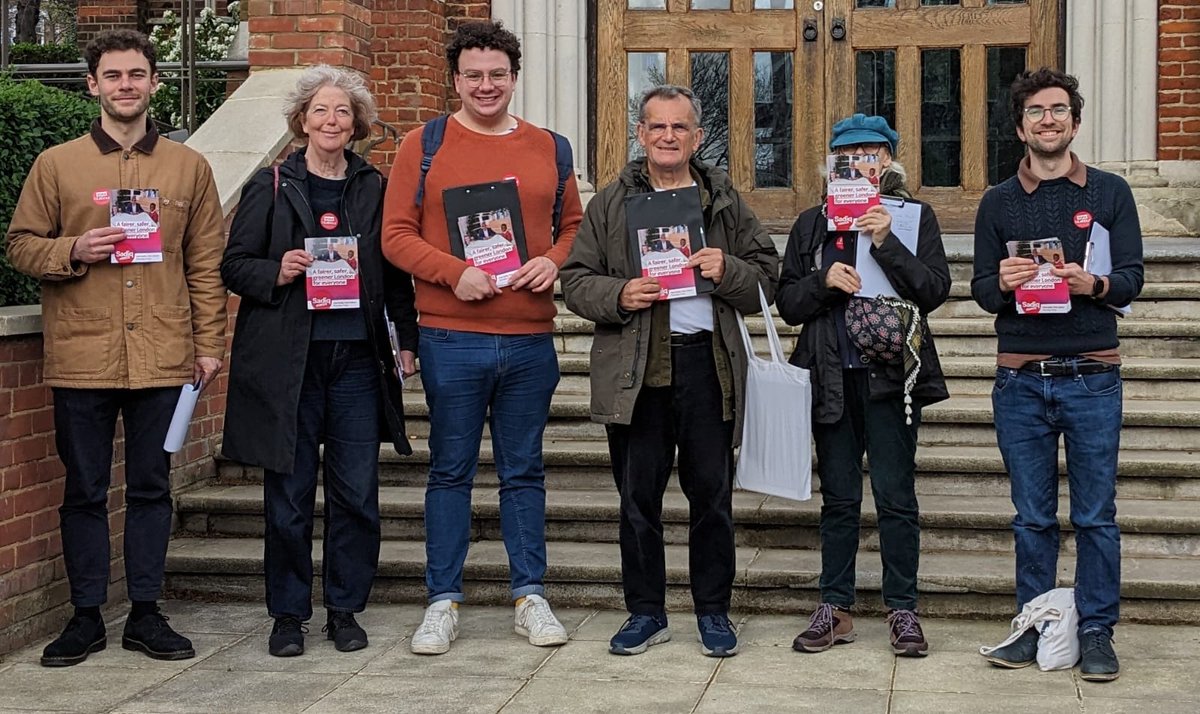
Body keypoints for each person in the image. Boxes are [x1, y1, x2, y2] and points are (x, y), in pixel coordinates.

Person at [5, 29, 226, 667]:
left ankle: (147, 614)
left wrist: (208, 344)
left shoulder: (190, 168)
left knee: (153, 486)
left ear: (155, 83)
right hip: (82, 354)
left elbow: (205, 264)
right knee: (84, 488)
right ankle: (84, 616)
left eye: (137, 74)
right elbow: (20, 244)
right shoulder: (57, 164)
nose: (126, 85)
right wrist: (71, 250)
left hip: (164, 354)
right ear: (93, 85)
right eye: (113, 75)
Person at [381, 20, 583, 656]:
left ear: (514, 79)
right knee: (449, 472)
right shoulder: (426, 144)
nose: (486, 85)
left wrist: (553, 259)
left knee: (523, 470)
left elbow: (577, 226)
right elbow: (394, 235)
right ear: (456, 79)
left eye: (497, 74)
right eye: (474, 75)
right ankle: (442, 601)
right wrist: (454, 272)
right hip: (451, 335)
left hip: (529, 338)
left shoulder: (551, 146)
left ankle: (530, 596)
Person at [560, 84, 779, 658]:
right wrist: (620, 293)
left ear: (697, 137)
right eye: (656, 126)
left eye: (679, 127)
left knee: (712, 498)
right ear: (640, 134)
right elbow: (575, 281)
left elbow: (767, 279)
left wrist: (727, 267)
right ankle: (646, 612)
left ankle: (713, 612)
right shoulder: (610, 202)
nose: (667, 136)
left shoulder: (724, 200)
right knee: (638, 501)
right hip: (637, 371)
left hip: (709, 366)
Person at [220, 65, 418, 658]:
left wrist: (406, 339)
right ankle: (287, 615)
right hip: (291, 363)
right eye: (320, 111)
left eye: (343, 112)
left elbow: (396, 272)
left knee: (357, 493)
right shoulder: (271, 184)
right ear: (301, 121)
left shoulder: (374, 186)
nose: (332, 121)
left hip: (358, 361)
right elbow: (232, 265)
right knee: (289, 494)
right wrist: (275, 270)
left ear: (357, 123)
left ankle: (345, 608)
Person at [972, 68, 1143, 682]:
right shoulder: (996, 202)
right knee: (1032, 518)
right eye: (1037, 111)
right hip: (1021, 380)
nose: (1049, 119)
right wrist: (1005, 284)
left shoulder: (1110, 192)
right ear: (1019, 126)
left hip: (1093, 377)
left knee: (1096, 516)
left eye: (1059, 110)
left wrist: (1089, 283)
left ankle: (1097, 633)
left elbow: (1131, 279)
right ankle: (1037, 622)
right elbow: (981, 292)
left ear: (1075, 120)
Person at [775, 114, 950, 658]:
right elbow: (788, 304)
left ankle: (902, 609)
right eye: (848, 156)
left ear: (889, 161)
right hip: (830, 376)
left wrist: (887, 242)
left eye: (871, 153)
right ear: (834, 166)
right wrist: (823, 281)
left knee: (896, 497)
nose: (860, 164)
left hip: (892, 377)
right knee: (840, 498)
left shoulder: (913, 217)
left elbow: (934, 291)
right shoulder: (812, 224)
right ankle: (836, 607)